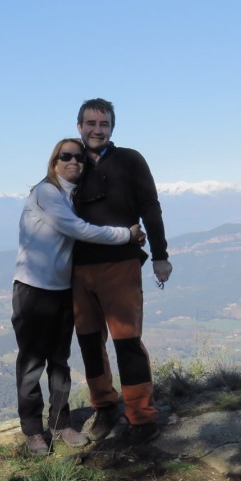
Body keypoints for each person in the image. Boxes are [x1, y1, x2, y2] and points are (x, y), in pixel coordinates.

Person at [12, 138, 145, 455]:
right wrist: (128, 234)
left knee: (59, 362)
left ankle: (60, 425)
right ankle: (33, 431)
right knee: (32, 363)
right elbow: (80, 230)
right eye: (65, 156)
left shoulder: (74, 196)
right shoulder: (46, 193)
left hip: (61, 290)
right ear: (54, 162)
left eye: (79, 158)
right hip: (32, 289)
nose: (73, 161)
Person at [72, 98, 173, 445]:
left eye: (103, 124)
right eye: (90, 123)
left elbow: (150, 207)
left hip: (121, 265)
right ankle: (104, 406)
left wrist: (160, 255)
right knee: (88, 342)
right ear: (79, 127)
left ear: (111, 128)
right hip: (76, 268)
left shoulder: (130, 160)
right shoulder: (70, 161)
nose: (96, 129)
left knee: (127, 342)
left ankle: (142, 416)